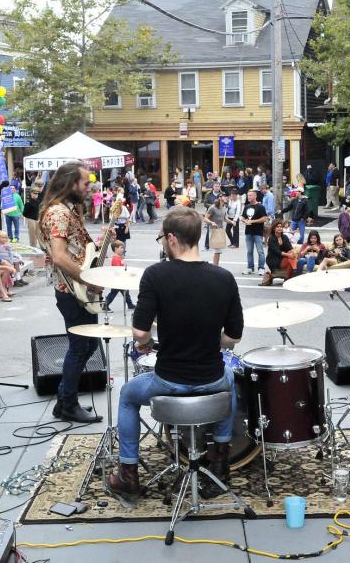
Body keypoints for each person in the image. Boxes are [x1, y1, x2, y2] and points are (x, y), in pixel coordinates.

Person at [108, 208, 244, 502]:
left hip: (170, 382)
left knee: (128, 396)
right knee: (230, 378)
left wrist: (147, 342)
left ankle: (128, 474)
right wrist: (208, 336)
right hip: (211, 381)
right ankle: (220, 463)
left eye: (161, 239)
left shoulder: (156, 276)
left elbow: (141, 334)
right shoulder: (224, 278)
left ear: (171, 238)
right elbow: (233, 338)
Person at [38, 160, 103, 423]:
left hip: (74, 289)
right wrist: (88, 279)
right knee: (80, 347)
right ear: (70, 183)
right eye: (85, 183)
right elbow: (59, 256)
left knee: (89, 344)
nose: (89, 187)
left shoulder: (65, 209)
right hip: (72, 291)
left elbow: (73, 250)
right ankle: (67, 403)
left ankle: (65, 398)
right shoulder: (59, 213)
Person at [241, 189, 268, 275]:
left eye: (250, 195)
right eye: (248, 195)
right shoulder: (247, 206)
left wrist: (252, 221)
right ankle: (250, 267)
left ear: (255, 196)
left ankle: (261, 267)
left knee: (260, 251)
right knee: (249, 251)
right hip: (248, 232)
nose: (249, 197)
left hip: (258, 232)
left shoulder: (260, 207)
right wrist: (245, 221)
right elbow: (242, 217)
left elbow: (264, 218)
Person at [262, 220, 297, 285]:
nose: (280, 228)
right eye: (277, 227)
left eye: (281, 227)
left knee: (292, 258)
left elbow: (290, 248)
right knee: (290, 258)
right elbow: (277, 251)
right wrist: (288, 255)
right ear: (274, 228)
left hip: (283, 258)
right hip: (273, 259)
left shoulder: (285, 237)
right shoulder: (271, 238)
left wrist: (292, 253)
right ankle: (293, 272)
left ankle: (287, 278)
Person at [104, 241, 136, 311]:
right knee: (113, 293)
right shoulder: (115, 259)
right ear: (116, 248)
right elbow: (117, 270)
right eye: (121, 248)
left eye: (123, 248)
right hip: (118, 279)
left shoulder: (119, 257)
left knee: (126, 292)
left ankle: (130, 304)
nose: (123, 250)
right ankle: (105, 305)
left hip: (121, 279)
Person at [204, 193, 228, 266]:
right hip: (214, 230)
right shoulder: (212, 207)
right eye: (224, 196)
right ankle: (215, 266)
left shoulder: (224, 207)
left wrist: (232, 222)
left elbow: (224, 218)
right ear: (220, 198)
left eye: (226, 196)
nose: (226, 197)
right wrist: (212, 222)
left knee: (219, 251)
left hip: (221, 230)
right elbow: (205, 218)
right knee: (217, 250)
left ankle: (216, 266)